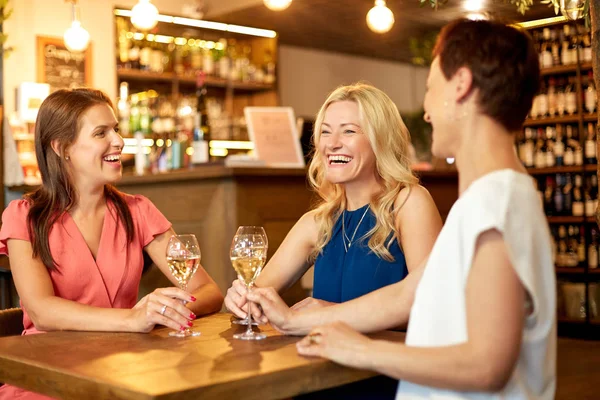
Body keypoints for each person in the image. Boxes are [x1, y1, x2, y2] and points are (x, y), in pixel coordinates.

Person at [246, 19, 556, 399]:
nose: (425, 112)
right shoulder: (489, 200)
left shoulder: (495, 204)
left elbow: (487, 366)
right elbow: (407, 295)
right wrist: (297, 318)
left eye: (429, 88)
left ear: (460, 85)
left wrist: (361, 349)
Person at [0, 89, 224, 400]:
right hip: (47, 376)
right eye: (101, 132)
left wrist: (165, 311)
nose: (118, 141)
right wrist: (135, 318)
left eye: (116, 129)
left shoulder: (139, 211)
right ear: (62, 146)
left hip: (124, 371)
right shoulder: (24, 217)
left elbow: (209, 291)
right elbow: (41, 312)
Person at [225, 83, 443, 399]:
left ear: (380, 140)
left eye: (349, 132)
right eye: (325, 132)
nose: (332, 144)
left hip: (389, 381)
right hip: (321, 378)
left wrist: (323, 313)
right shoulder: (317, 221)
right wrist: (242, 302)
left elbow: (429, 305)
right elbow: (257, 294)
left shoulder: (410, 202)